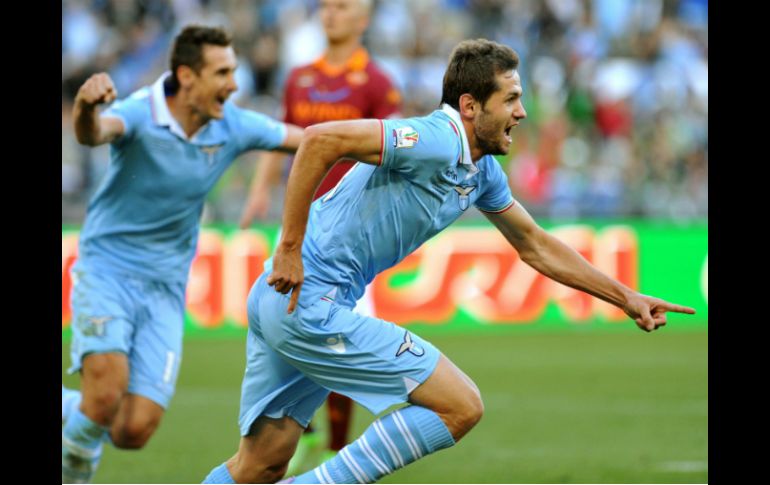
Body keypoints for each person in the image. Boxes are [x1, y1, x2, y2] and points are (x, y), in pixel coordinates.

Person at [203, 38, 695, 484]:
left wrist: (626, 297)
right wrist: (289, 246)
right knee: (459, 406)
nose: (522, 112)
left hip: (283, 301)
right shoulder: (434, 139)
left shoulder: (481, 171)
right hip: (307, 299)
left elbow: (536, 245)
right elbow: (318, 141)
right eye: (511, 99)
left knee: (258, 466)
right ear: (469, 105)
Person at [61, 25, 303, 484]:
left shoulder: (231, 124)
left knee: (133, 429)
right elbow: (95, 133)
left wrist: (392, 143)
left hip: (166, 287)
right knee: (105, 393)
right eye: (223, 72)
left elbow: (306, 139)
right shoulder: (140, 113)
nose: (234, 83)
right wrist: (85, 108)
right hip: (107, 270)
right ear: (187, 76)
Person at [238, 0, 401, 472]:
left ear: (363, 19)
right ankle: (301, 433)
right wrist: (258, 192)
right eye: (326, 6)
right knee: (287, 324)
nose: (330, 14)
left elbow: (390, 151)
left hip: (349, 232)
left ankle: (334, 447)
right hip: (299, 224)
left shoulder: (376, 83)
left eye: (342, 6)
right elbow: (281, 137)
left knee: (339, 331)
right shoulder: (300, 77)